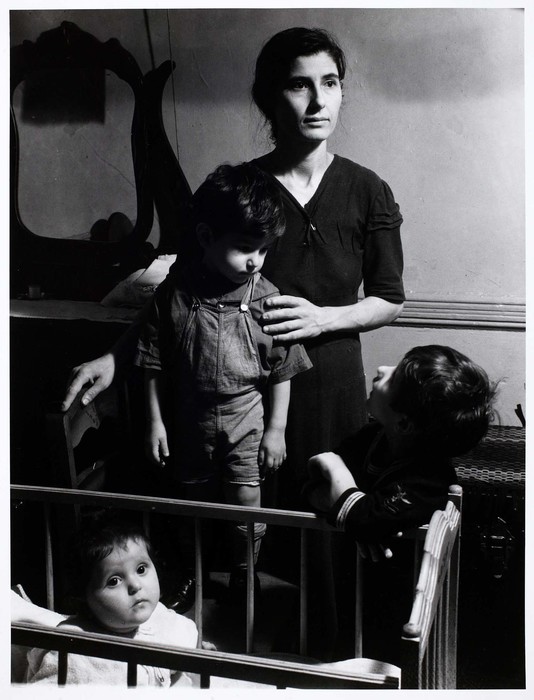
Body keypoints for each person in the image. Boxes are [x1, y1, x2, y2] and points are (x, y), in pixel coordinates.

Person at [61, 27, 404, 655]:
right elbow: (177, 295)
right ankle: (225, 665)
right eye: (299, 85)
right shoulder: (234, 190)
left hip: (327, 390)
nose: (318, 101)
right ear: (269, 98)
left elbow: (390, 298)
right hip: (228, 398)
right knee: (233, 539)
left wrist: (323, 320)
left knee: (322, 538)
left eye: (330, 83)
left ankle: (324, 666)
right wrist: (115, 356)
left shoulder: (366, 189)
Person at [135, 162, 312, 605]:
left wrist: (276, 430)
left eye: (264, 250)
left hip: (245, 417)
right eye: (245, 248)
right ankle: (189, 573)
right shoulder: (174, 294)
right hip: (188, 417)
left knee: (246, 498)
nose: (256, 261)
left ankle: (244, 573)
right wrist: (155, 423)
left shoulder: (268, 299)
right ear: (206, 237)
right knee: (191, 501)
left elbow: (282, 370)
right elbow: (152, 363)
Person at [305, 344, 496, 539]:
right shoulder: (373, 435)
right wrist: (361, 518)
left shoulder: (428, 483)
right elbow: (312, 487)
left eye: (392, 379)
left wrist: (335, 467)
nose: (382, 369)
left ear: (404, 424)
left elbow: (361, 518)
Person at [25, 514, 199, 686]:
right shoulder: (75, 652)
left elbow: (182, 645)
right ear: (83, 596)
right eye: (114, 581)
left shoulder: (160, 617)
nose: (135, 585)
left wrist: (199, 653)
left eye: (141, 569)